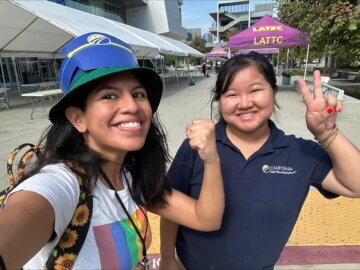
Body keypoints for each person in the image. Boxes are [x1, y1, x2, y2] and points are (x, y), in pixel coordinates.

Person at [0, 32, 224, 270]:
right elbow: (23, 217)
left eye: (138, 94)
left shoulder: (132, 177)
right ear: (78, 118)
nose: (131, 106)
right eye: (109, 96)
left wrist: (211, 158)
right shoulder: (62, 184)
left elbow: (206, 218)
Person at [160, 52, 360, 270]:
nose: (244, 103)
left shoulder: (300, 153)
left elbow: (354, 185)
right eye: (231, 94)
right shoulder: (198, 147)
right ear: (219, 100)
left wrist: (326, 133)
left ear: (273, 92)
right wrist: (168, 257)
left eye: (255, 90)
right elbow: (171, 207)